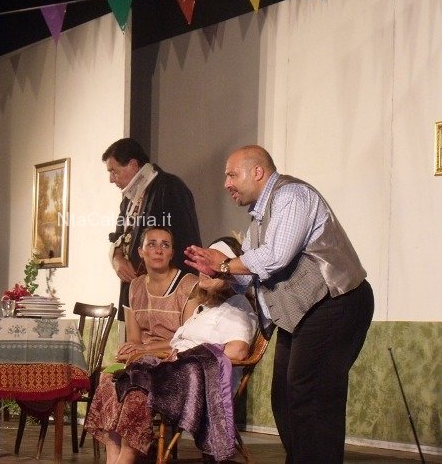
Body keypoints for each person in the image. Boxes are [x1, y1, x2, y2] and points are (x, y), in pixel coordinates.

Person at [184, 145, 374, 464]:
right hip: (302, 315)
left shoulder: (291, 196)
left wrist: (226, 264)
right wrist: (219, 275)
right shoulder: (258, 221)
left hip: (336, 302)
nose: (226, 183)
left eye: (232, 175)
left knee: (310, 395)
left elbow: (275, 257)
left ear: (257, 172)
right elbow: (250, 277)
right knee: (284, 397)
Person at [84, 226, 200, 464]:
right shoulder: (134, 287)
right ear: (141, 252)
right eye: (152, 244)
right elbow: (136, 340)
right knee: (109, 380)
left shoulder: (189, 284)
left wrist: (144, 349)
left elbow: (187, 340)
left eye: (165, 245)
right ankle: (113, 458)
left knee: (135, 392)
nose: (158, 250)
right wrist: (130, 350)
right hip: (142, 362)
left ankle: (128, 456)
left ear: (172, 253)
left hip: (175, 364)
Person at [103, 138, 201, 321]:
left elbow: (187, 245)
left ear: (133, 165)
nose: (111, 179)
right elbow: (118, 237)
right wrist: (117, 258)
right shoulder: (128, 198)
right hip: (135, 292)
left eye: (114, 171)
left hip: (166, 298)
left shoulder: (169, 187)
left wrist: (180, 297)